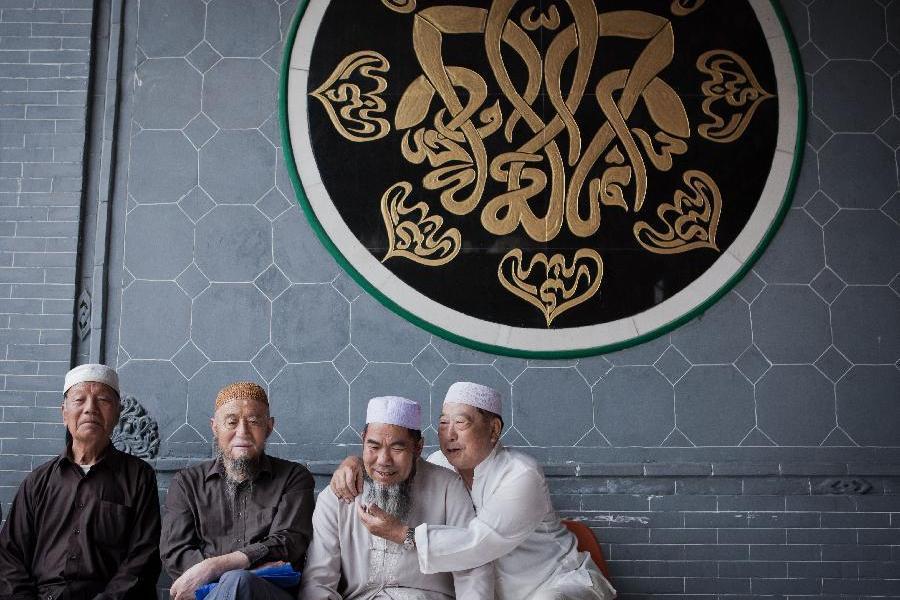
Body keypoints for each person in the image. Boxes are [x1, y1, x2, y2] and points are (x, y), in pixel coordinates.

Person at [331, 382, 616, 600]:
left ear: (494, 430)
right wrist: (355, 463)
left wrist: (401, 533)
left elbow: (480, 542)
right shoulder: (440, 463)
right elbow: (393, 461)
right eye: (443, 423)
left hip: (555, 584)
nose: (449, 434)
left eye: (461, 423)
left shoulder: (521, 473)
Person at [301, 395, 492, 600]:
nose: (383, 460)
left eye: (397, 448)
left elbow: (472, 570)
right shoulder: (338, 494)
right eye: (373, 447)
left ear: (418, 448)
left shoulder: (448, 487)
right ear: (363, 440)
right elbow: (318, 582)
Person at [0, 363, 162, 600]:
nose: (90, 409)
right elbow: (9, 557)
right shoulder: (38, 482)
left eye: (102, 400)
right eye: (79, 400)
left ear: (117, 413)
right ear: (64, 413)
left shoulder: (139, 476)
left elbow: (143, 557)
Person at [161, 381, 315, 600]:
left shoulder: (294, 477)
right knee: (236, 580)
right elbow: (175, 552)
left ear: (269, 427)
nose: (242, 432)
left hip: (270, 593)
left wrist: (215, 566)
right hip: (204, 595)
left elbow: (289, 542)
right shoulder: (187, 483)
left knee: (240, 581)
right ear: (215, 427)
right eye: (231, 422)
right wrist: (239, 571)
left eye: (253, 421)